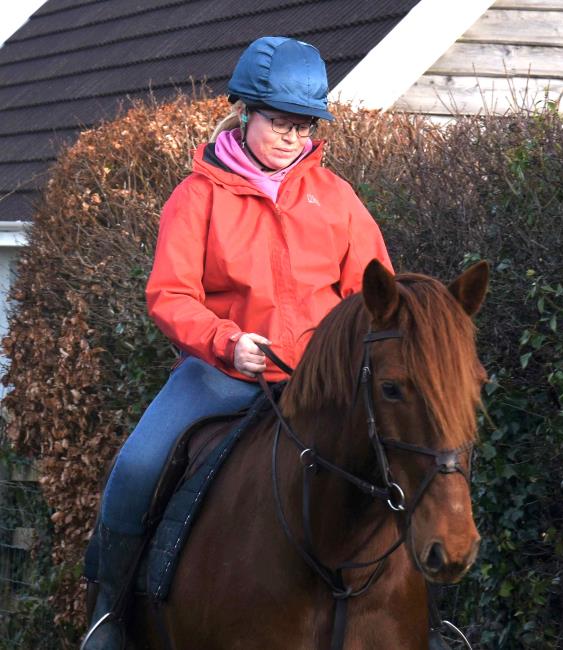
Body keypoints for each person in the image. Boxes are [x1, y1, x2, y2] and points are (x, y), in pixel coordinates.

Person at [82, 35, 393, 649]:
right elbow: (169, 295)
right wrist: (227, 343)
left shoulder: (338, 199)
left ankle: (429, 623)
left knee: (411, 463)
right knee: (137, 465)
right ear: (245, 111)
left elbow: (371, 297)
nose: (291, 138)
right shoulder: (196, 197)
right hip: (221, 371)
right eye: (279, 122)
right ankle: (109, 619)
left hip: (319, 379)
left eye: (304, 127)